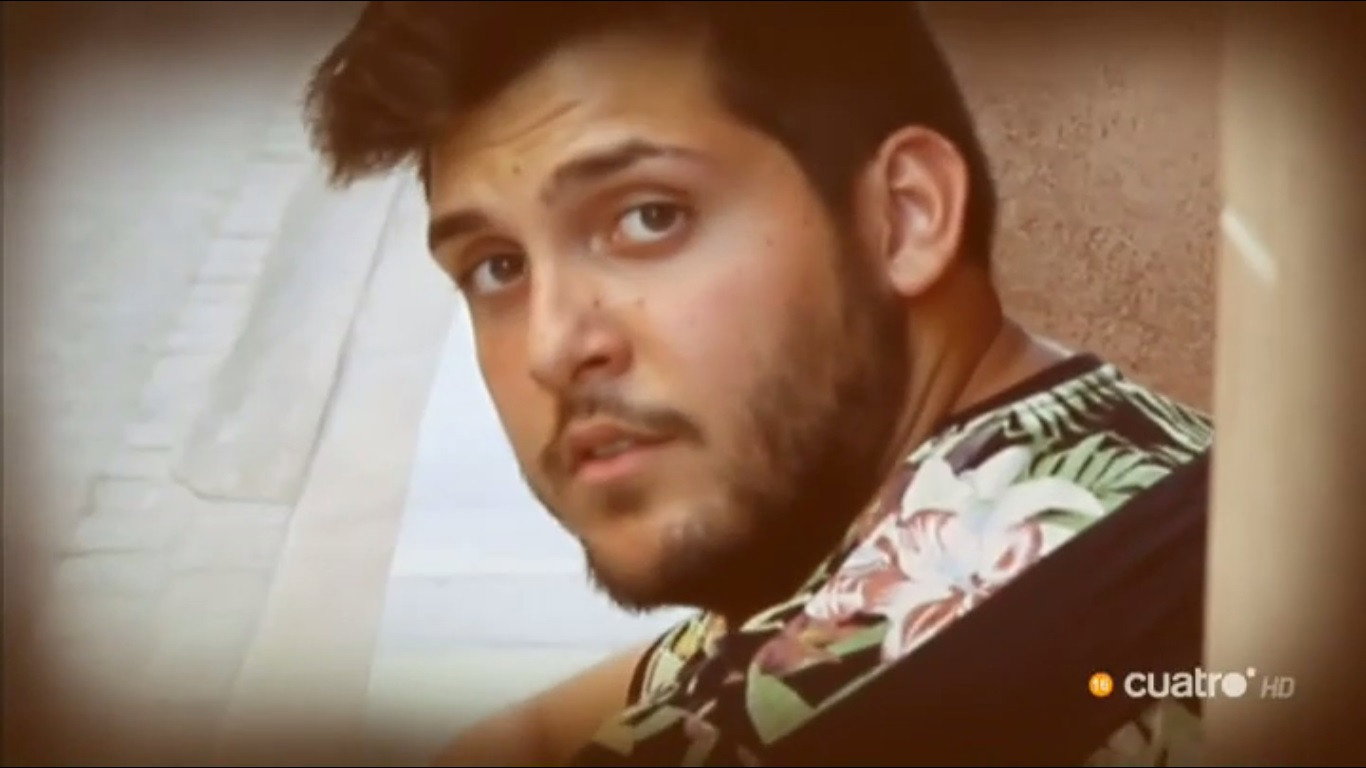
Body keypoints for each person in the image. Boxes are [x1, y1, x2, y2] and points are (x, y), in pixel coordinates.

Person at [304, 2, 1213, 764]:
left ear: (904, 216)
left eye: (649, 217)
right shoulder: (1124, 460)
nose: (552, 346)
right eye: (497, 267)